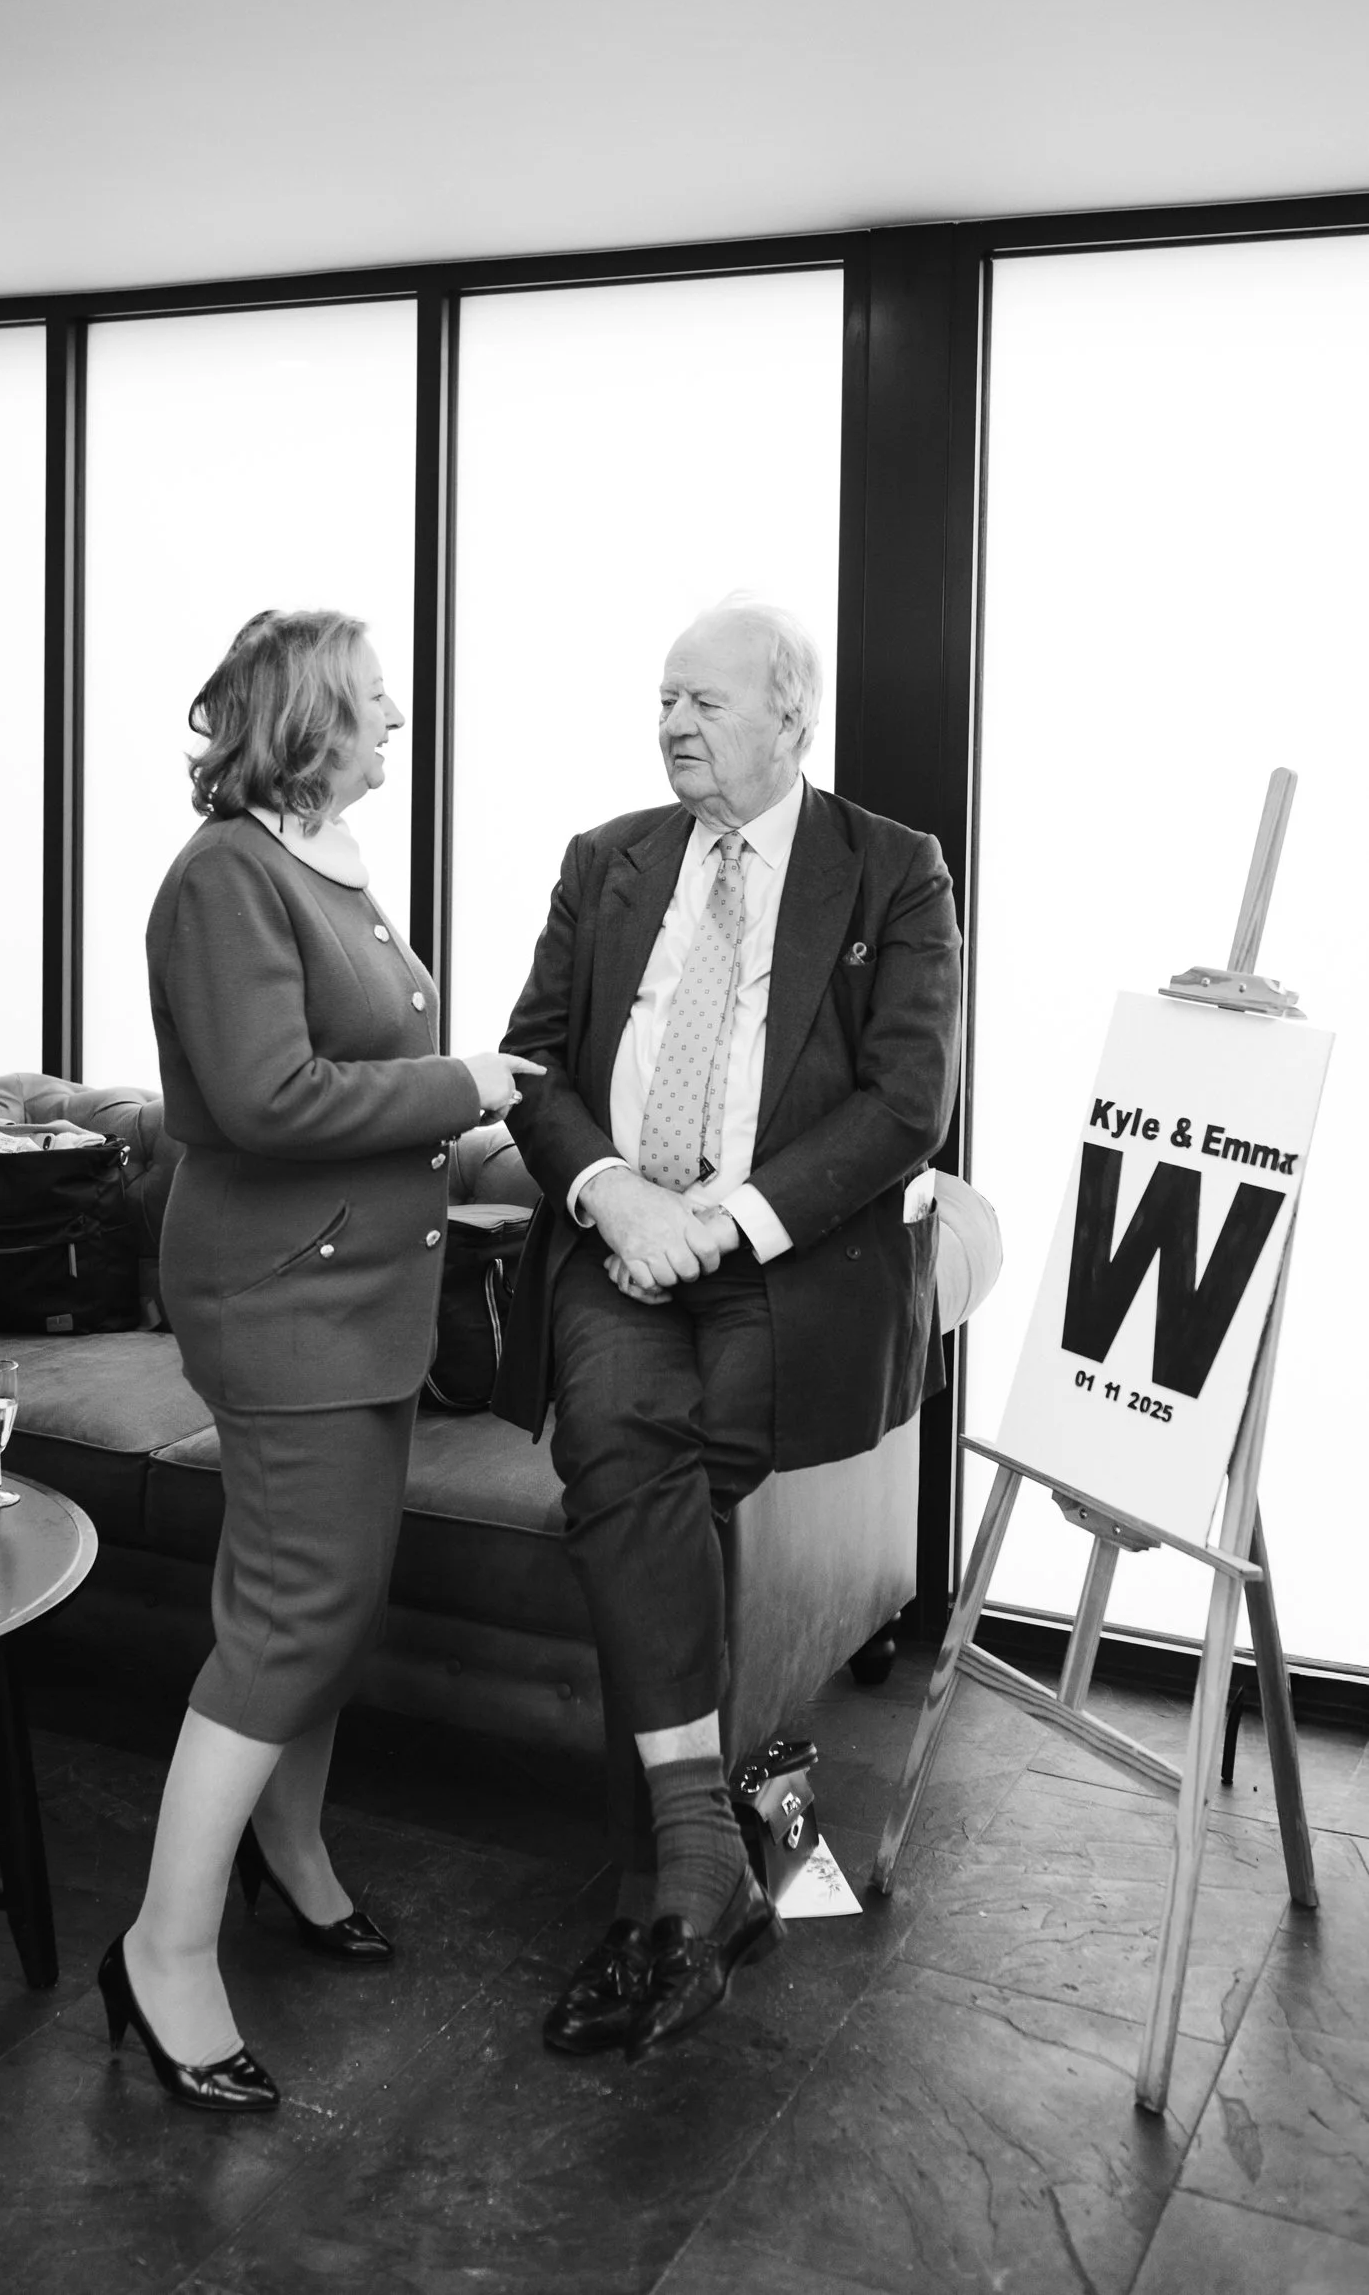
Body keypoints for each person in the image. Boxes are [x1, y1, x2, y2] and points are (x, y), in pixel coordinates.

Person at [494, 594, 961, 2064]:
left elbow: (904, 1105)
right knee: (619, 1444)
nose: (673, 726)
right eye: (663, 702)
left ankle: (689, 1876)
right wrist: (611, 1191)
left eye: (702, 703)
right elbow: (530, 1061)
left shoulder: (891, 874)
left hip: (780, 1257)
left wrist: (725, 1215)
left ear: (788, 717)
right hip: (618, 1244)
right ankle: (703, 1880)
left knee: (673, 1469)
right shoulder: (607, 861)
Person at [100, 607, 542, 2113]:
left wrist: (504, 1141)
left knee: (329, 1608)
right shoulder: (225, 879)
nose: (394, 724)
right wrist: (460, 1081)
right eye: (369, 702)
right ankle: (163, 1949)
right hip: (281, 1306)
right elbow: (271, 1098)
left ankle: (288, 1855)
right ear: (305, 722)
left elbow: (370, 1105)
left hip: (356, 1311)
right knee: (295, 1616)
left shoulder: (318, 867)